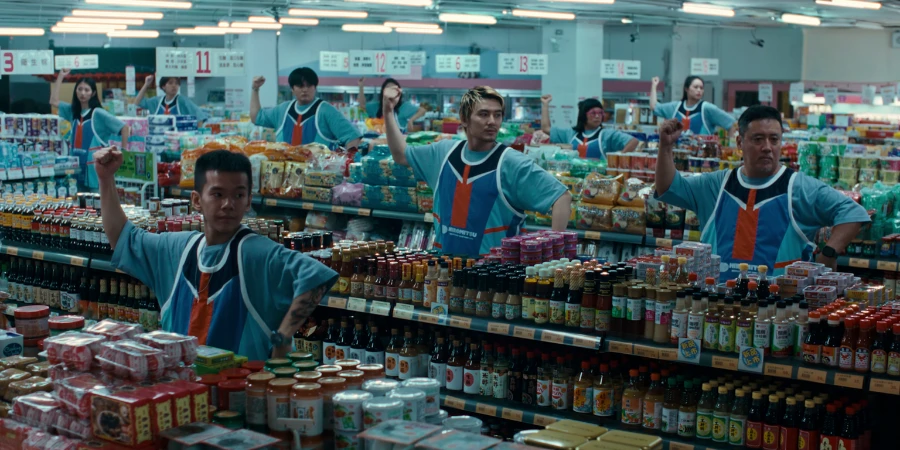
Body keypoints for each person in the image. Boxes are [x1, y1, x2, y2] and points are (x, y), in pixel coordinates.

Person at [94, 147, 337, 360]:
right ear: (196, 200)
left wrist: (282, 338)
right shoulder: (176, 249)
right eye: (218, 194)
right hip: (182, 389)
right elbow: (123, 236)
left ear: (249, 201)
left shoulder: (254, 252)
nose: (228, 204)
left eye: (238, 195)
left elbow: (316, 276)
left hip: (239, 393)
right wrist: (105, 179)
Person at [654, 105, 870, 280]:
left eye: (774, 139)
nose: (767, 147)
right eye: (758, 139)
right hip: (717, 306)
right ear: (740, 142)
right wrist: (665, 147)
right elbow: (668, 187)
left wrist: (829, 253)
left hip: (779, 311)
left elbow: (853, 213)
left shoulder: (799, 187)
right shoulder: (716, 185)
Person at [384, 84, 572, 258]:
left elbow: (561, 197)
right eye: (483, 114)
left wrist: (553, 258)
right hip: (444, 271)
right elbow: (401, 155)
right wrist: (388, 110)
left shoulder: (511, 162)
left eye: (497, 115)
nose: (492, 121)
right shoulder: (442, 154)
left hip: (493, 276)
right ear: (464, 119)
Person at [50, 69, 130, 189]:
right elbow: (53, 101)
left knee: (96, 199)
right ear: (75, 91)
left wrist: (123, 154)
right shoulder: (73, 111)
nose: (83, 93)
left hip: (95, 170)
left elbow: (124, 128)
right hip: (76, 167)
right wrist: (60, 76)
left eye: (87, 90)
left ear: (93, 93)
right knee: (77, 199)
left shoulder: (98, 113)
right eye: (80, 89)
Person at [251, 67, 362, 149]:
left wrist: (344, 164)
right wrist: (255, 89)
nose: (305, 90)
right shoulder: (282, 110)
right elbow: (256, 117)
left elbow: (353, 137)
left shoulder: (326, 110)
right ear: (292, 89)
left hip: (317, 173)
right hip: (285, 171)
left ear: (315, 87)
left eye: (309, 86)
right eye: (300, 86)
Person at [540, 95, 639, 160]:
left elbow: (633, 141)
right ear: (583, 115)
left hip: (599, 181)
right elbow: (546, 128)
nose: (597, 116)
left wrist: (617, 159)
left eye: (600, 113)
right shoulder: (571, 133)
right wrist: (545, 104)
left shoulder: (607, 135)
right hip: (572, 180)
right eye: (593, 113)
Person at [650, 76, 735, 135]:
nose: (699, 90)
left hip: (701, 154)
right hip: (677, 153)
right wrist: (654, 86)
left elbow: (732, 124)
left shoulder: (707, 108)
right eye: (696, 87)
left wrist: (732, 148)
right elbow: (654, 107)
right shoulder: (675, 107)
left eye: (701, 88)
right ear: (686, 89)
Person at [357, 77, 427, 133]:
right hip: (379, 142)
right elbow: (362, 105)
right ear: (383, 92)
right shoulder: (376, 106)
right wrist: (361, 86)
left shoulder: (404, 107)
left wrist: (411, 120)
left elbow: (422, 110)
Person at [133, 75, 209, 121]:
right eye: (170, 83)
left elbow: (200, 116)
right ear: (163, 86)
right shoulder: (157, 101)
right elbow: (137, 102)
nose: (174, 86)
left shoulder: (182, 101)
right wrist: (146, 84)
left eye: (176, 83)